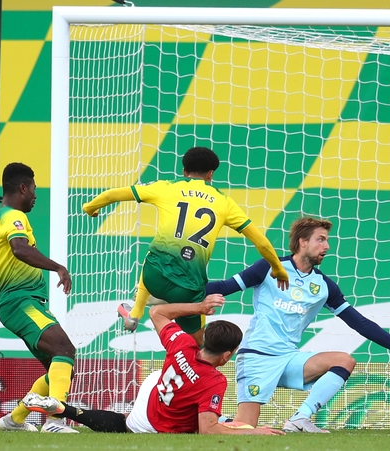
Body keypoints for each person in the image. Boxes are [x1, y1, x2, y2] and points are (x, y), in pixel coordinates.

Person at [205, 217, 390, 433]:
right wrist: (172, 293)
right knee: (246, 428)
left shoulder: (324, 286)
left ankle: (300, 419)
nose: (327, 246)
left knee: (344, 360)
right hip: (258, 356)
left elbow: (359, 323)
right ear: (302, 242)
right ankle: (201, 420)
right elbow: (224, 287)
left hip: (289, 358)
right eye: (320, 240)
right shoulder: (269, 267)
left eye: (327, 240)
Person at [82, 146, 289, 345]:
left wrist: (90, 208)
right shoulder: (224, 202)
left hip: (154, 277)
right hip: (188, 289)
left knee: (157, 250)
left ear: (184, 171)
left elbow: (112, 195)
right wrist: (278, 268)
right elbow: (261, 242)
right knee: (196, 344)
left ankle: (135, 312)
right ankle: (150, 313)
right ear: (210, 174)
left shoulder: (166, 187)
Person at [22, 297, 284, 435]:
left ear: (205, 339)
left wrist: (199, 307)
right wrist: (257, 431)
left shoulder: (183, 343)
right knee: (125, 426)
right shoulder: (216, 380)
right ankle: (64, 410)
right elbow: (207, 429)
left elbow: (157, 313)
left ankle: (58, 407)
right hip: (157, 421)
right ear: (227, 356)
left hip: (155, 388)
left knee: (208, 413)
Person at [0, 162, 78, 433]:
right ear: (23, 188)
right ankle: (54, 422)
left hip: (14, 304)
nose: (36, 196)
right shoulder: (15, 218)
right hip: (21, 300)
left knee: (59, 366)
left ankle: (13, 420)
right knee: (65, 350)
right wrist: (58, 267)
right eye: (34, 189)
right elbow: (19, 248)